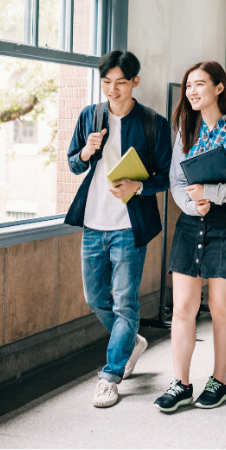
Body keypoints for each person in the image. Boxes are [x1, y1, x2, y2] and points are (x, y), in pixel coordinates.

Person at [64, 50, 172, 409]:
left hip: (129, 226)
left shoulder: (153, 123)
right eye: (107, 82)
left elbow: (166, 176)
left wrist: (138, 186)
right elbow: (73, 164)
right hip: (93, 223)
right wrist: (86, 152)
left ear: (135, 82)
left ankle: (110, 377)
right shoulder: (89, 116)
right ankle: (131, 341)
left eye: (121, 82)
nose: (113, 89)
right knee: (95, 298)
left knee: (125, 302)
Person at [154, 61, 226, 413]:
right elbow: (176, 180)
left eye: (199, 84)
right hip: (190, 223)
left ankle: (219, 381)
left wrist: (210, 194)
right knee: (183, 308)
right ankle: (181, 383)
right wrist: (192, 203)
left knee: (220, 309)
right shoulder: (186, 128)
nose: (192, 91)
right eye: (188, 86)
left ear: (219, 88)